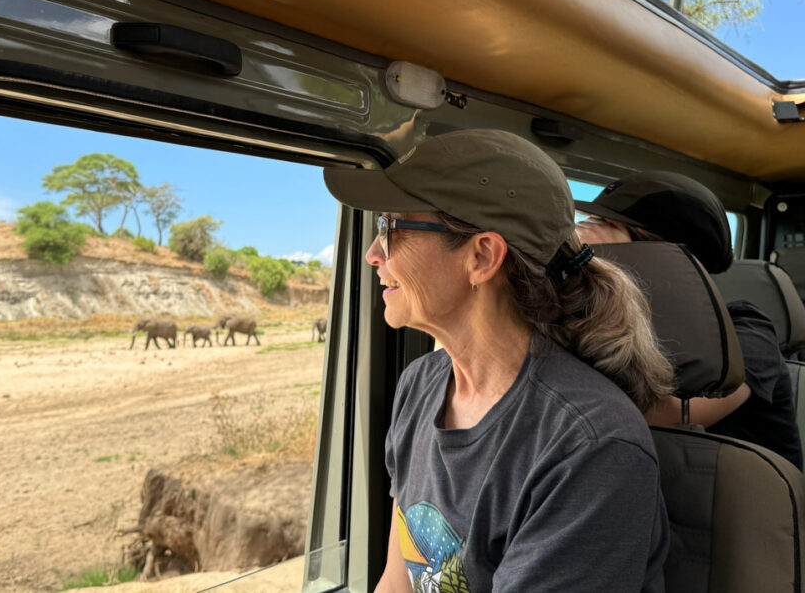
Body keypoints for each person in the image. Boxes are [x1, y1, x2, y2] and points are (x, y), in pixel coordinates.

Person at [323, 129, 674, 593]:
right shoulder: (421, 384)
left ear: (482, 256)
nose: (372, 254)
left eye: (391, 228)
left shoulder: (591, 443)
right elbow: (398, 580)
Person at [575, 171, 803, 468]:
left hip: (736, 505)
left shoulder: (747, 332)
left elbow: (668, 415)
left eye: (608, 232)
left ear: (664, 257)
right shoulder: (617, 319)